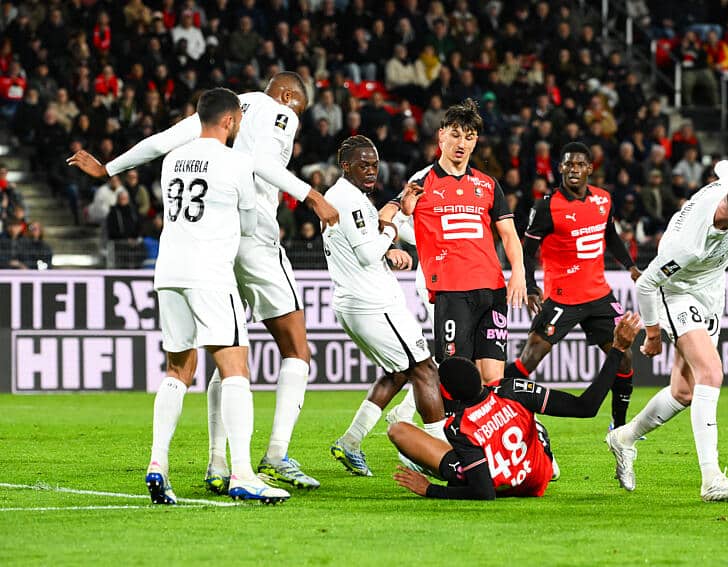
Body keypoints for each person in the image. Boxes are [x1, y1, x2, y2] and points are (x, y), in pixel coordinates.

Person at [67, 72, 340, 492]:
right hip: (246, 236)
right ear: (288, 96)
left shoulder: (222, 107)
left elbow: (159, 141)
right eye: (297, 106)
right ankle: (272, 456)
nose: (295, 116)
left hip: (182, 258)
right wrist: (312, 195)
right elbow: (260, 166)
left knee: (214, 355)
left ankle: (215, 460)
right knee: (294, 348)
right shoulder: (278, 112)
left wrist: (108, 168)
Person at [606, 160, 728, 502]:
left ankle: (624, 438)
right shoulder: (688, 245)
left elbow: (725, 164)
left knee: (684, 392)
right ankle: (711, 478)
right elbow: (646, 285)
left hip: (711, 291)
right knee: (711, 373)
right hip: (677, 291)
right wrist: (653, 333)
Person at [144, 87, 287, 504]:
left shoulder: (172, 159)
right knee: (235, 367)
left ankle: (158, 463)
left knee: (178, 370)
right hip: (210, 274)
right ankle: (242, 472)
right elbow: (246, 226)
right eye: (239, 118)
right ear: (230, 120)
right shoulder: (236, 162)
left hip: (169, 272)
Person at [389, 313, 642, 500]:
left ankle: (423, 463)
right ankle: (546, 457)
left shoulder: (458, 426)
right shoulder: (511, 389)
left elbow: (484, 492)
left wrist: (430, 490)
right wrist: (618, 349)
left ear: (449, 394)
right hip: (536, 477)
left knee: (398, 430)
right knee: (531, 414)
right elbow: (586, 406)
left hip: (498, 482)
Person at [322, 136, 447, 476]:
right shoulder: (349, 200)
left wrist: (388, 233)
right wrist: (390, 233)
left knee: (399, 372)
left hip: (354, 301)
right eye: (363, 164)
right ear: (345, 165)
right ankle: (440, 455)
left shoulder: (343, 197)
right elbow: (366, 252)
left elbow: (362, 245)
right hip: (374, 304)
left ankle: (350, 441)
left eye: (374, 165)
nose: (371, 171)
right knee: (425, 369)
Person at [379, 99, 527, 384]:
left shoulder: (487, 184)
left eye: (469, 137)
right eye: (456, 134)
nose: (462, 143)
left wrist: (518, 272)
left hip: (491, 290)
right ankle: (452, 428)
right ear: (441, 135)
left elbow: (509, 234)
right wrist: (390, 242)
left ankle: (489, 428)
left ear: (475, 143)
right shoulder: (422, 181)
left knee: (493, 376)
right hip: (451, 292)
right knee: (457, 375)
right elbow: (386, 214)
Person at [504, 142, 641, 431]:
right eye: (568, 164)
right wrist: (530, 286)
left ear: (590, 168)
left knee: (625, 358)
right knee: (530, 358)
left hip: (599, 296)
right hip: (562, 298)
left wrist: (631, 266)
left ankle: (619, 425)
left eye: (580, 164)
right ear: (561, 169)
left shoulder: (603, 200)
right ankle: (488, 397)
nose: (574, 169)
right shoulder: (546, 207)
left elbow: (611, 236)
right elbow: (526, 251)